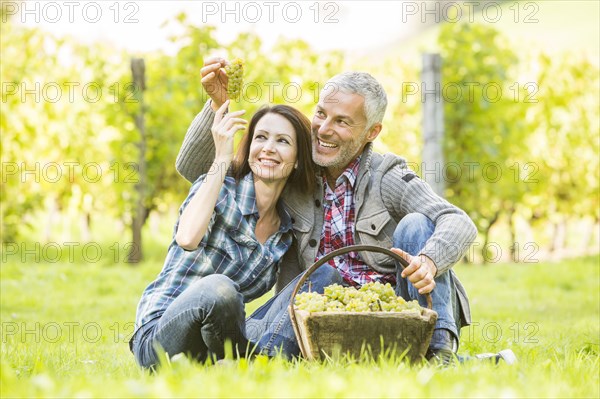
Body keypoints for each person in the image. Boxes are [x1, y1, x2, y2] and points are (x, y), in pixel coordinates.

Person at [175, 58, 507, 364]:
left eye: (342, 122)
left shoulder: (387, 175)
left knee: (419, 224)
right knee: (261, 329)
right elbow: (194, 170)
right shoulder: (296, 170)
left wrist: (430, 259)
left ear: (371, 132)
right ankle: (255, 360)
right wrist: (218, 105)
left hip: (391, 313)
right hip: (321, 317)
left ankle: (438, 351)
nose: (323, 129)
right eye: (321, 114)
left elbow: (456, 220)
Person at [129, 100, 323, 369]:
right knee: (219, 288)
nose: (268, 148)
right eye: (261, 137)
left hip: (218, 340)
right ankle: (251, 363)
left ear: (298, 160)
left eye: (282, 141)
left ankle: (263, 361)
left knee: (322, 275)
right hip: (160, 338)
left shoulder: (285, 234)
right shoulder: (220, 188)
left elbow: (287, 305)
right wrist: (221, 158)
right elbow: (186, 238)